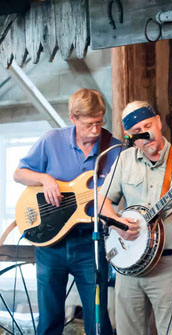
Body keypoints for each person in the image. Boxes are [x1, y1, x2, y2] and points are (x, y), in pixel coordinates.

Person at [98, 101, 172, 335]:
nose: (146, 135)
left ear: (159, 122)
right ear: (130, 136)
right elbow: (101, 202)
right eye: (136, 132)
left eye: (148, 125)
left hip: (170, 265)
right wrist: (117, 224)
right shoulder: (124, 159)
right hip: (128, 265)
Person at [14, 88, 118, 335]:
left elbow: (118, 194)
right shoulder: (51, 140)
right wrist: (44, 178)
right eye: (89, 124)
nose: (95, 130)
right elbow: (19, 173)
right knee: (49, 319)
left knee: (98, 320)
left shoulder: (113, 150)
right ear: (73, 118)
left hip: (90, 243)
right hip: (50, 244)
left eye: (99, 122)